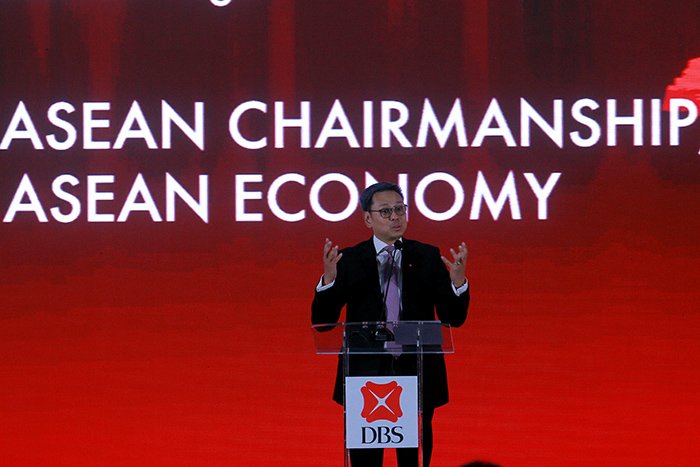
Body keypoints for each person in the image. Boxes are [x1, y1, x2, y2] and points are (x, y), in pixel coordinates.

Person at [312, 182, 470, 467]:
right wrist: (329, 280)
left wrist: (457, 284)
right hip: (364, 375)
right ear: (368, 218)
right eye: (386, 211)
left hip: (416, 371)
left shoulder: (427, 256)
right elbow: (323, 324)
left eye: (400, 209)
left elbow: (453, 318)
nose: (395, 216)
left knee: (413, 459)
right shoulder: (349, 260)